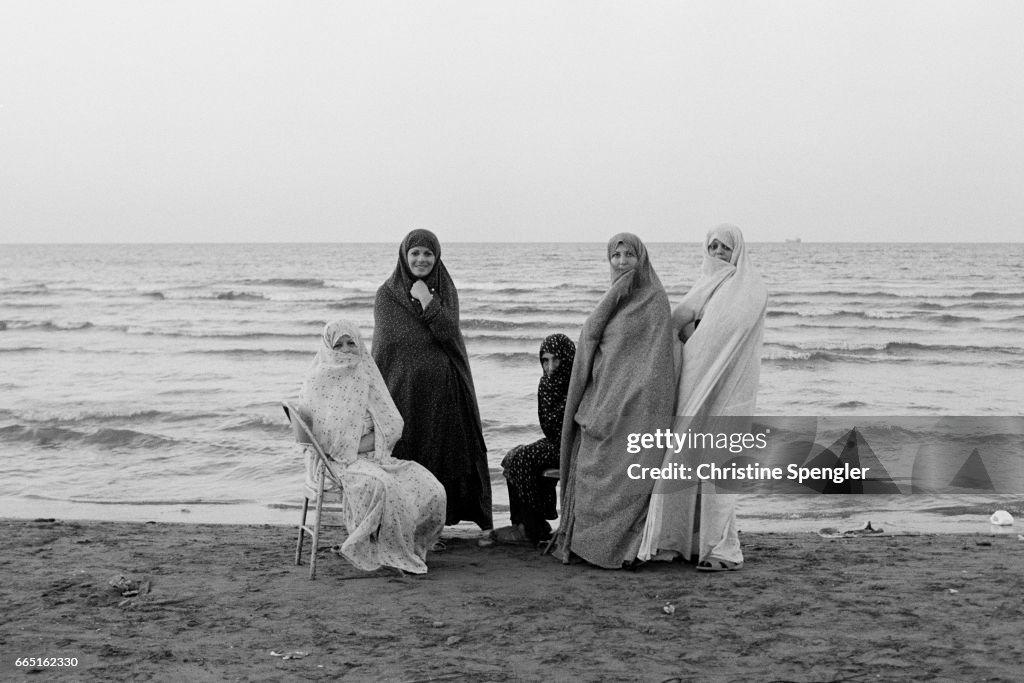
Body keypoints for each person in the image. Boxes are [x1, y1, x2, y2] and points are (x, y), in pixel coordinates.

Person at [639, 224, 768, 571]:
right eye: (711, 247)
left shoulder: (749, 288)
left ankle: (723, 550)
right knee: (683, 459)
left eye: (724, 248)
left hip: (729, 389)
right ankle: (678, 542)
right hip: (693, 386)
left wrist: (693, 333)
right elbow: (678, 323)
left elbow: (724, 333)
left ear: (737, 251)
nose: (717, 253)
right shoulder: (703, 287)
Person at [552, 234, 676, 568]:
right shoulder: (613, 298)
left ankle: (616, 547)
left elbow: (656, 366)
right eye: (615, 255)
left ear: (642, 259)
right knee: (589, 468)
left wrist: (628, 402)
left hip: (636, 411)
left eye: (629, 255)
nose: (621, 261)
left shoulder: (654, 300)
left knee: (626, 480)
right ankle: (581, 544)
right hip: (600, 403)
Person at [295, 319, 446, 574]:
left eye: (351, 342)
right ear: (328, 347)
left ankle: (412, 547)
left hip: (377, 455)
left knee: (432, 488)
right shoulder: (318, 382)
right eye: (339, 344)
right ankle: (388, 549)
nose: (345, 349)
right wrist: (354, 446)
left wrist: (364, 443)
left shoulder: (367, 373)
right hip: (338, 465)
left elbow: (392, 423)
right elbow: (325, 442)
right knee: (385, 487)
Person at [372, 229, 493, 531]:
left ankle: (435, 525)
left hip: (443, 395)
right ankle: (403, 525)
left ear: (436, 257)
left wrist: (427, 299)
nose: (421, 259)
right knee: (407, 456)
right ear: (404, 256)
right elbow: (385, 346)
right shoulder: (386, 295)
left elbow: (449, 334)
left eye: (428, 253)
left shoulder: (445, 291)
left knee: (442, 458)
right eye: (415, 253)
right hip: (403, 393)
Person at [494, 333, 576, 545]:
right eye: (545, 360)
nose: (550, 367)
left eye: (555, 359)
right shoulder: (546, 384)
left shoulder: (577, 385)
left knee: (523, 458)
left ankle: (531, 528)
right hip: (556, 442)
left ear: (566, 359)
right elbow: (549, 427)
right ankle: (525, 524)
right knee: (512, 458)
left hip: (574, 446)